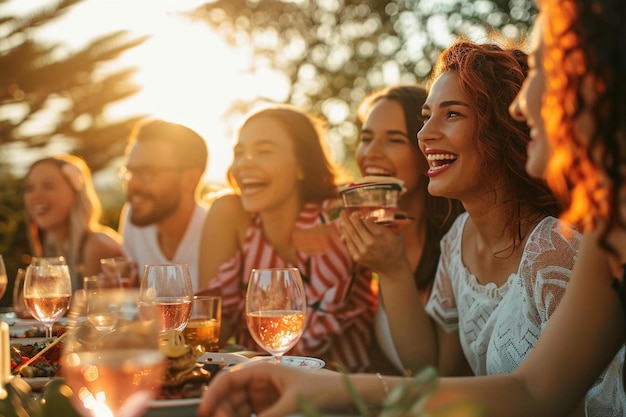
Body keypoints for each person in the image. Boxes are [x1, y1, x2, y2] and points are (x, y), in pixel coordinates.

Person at [196, 1, 626, 416]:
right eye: (424, 117)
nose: (425, 135)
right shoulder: (463, 239)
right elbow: (445, 373)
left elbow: (538, 397)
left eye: (452, 114)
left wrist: (340, 389)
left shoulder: (564, 243)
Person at [197, 104, 377, 372]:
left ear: (302, 166)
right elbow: (210, 336)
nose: (245, 163)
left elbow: (305, 348)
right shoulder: (231, 216)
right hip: (262, 393)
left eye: (264, 151)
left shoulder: (335, 218)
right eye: (240, 152)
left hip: (345, 395)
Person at [349, 85, 464, 374]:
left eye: (394, 140)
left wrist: (392, 270)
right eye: (366, 138)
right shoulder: (369, 240)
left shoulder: (458, 245)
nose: (371, 153)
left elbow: (436, 377)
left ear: (426, 150)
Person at [117, 119, 209, 291]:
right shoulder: (133, 220)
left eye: (147, 173)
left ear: (190, 179)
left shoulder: (216, 231)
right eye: (129, 172)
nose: (133, 184)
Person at [23, 154, 123, 290]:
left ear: (75, 193)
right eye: (30, 188)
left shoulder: (97, 246)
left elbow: (96, 309)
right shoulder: (51, 244)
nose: (36, 196)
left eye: (48, 186)